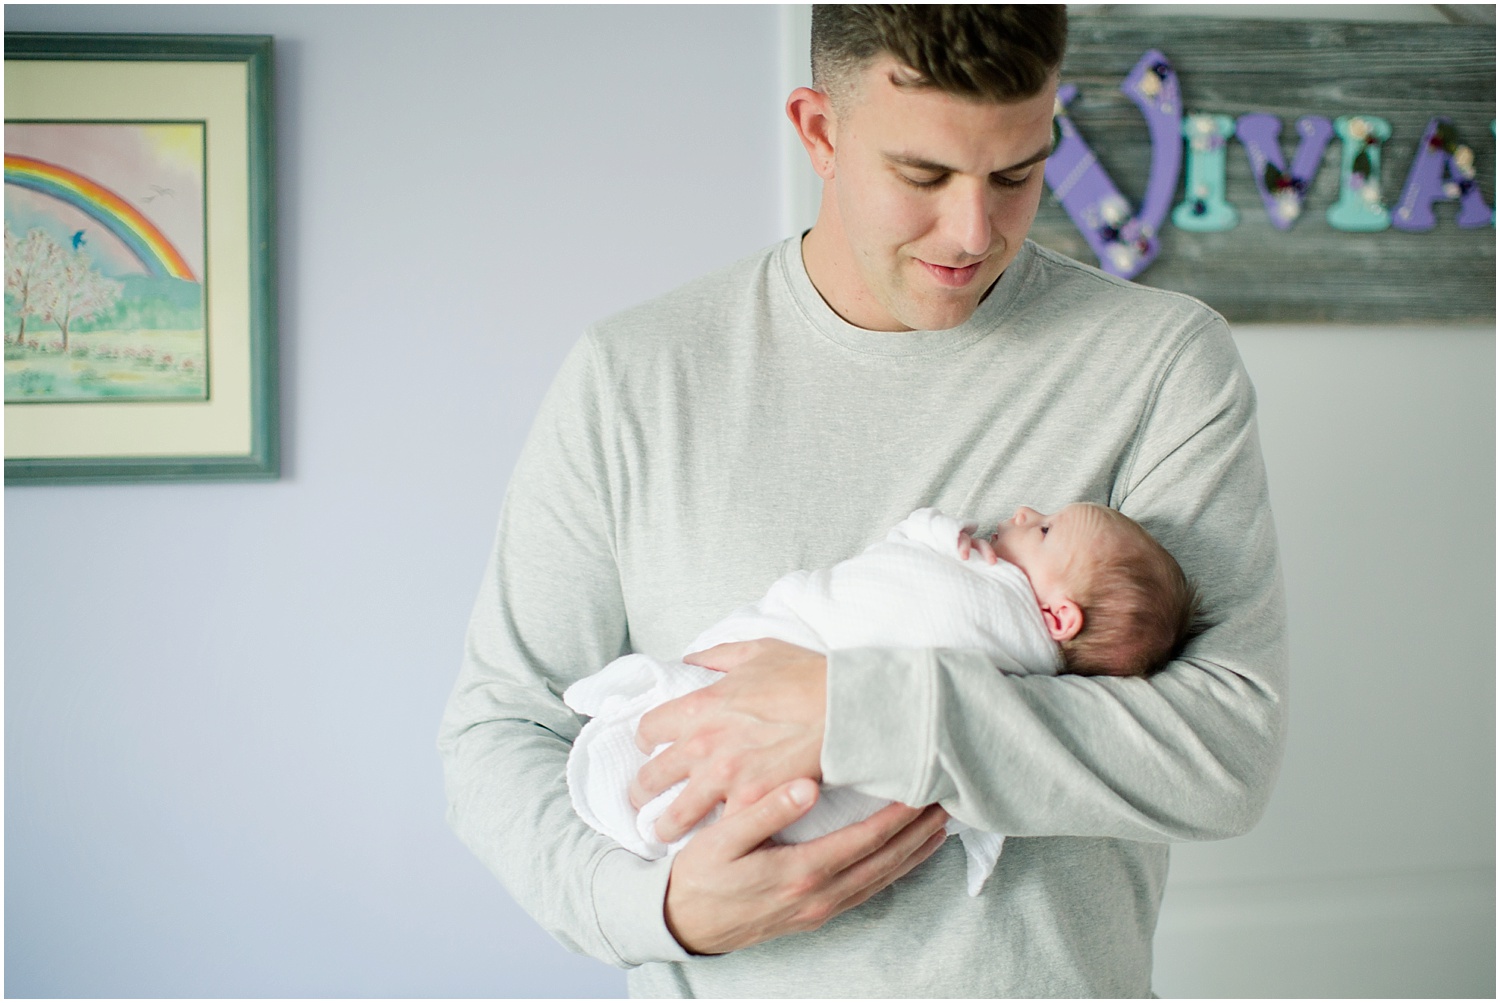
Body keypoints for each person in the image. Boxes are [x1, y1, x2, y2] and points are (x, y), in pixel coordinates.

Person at [439, 5, 1287, 997]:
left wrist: (857, 711)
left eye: (1018, 172)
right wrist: (659, 911)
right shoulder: (635, 374)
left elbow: (1224, 751)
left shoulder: (1156, 364)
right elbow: (501, 731)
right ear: (817, 130)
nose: (975, 232)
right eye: (922, 176)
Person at [563, 503, 1201, 898]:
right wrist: (667, 915)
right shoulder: (619, 372)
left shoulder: (985, 606)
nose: (1024, 512)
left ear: (1057, 618)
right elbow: (502, 722)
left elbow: (1207, 765)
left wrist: (934, 536)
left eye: (1045, 528)